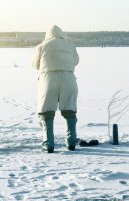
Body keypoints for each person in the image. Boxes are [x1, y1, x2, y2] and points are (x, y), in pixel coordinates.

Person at [31, 25, 79, 153]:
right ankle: (72, 142)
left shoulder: (41, 46)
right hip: (68, 80)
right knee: (70, 112)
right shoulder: (70, 45)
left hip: (48, 80)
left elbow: (35, 64)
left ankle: (48, 144)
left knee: (47, 113)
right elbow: (76, 61)